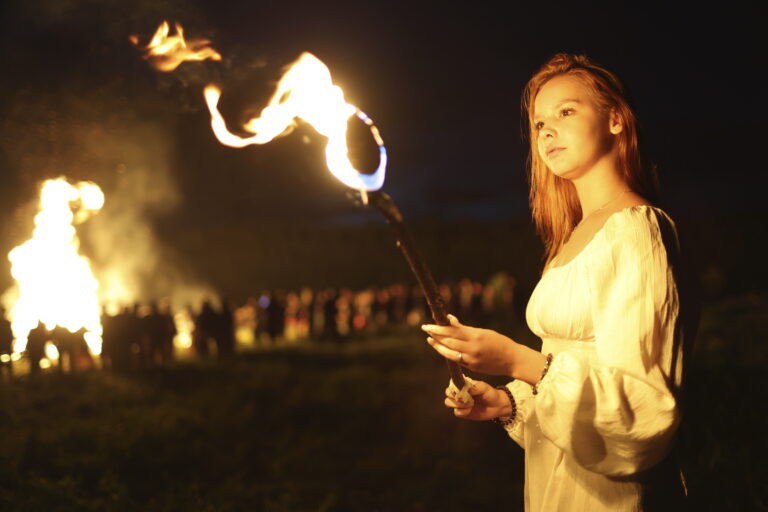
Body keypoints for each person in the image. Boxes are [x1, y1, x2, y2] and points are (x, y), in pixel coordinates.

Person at [422, 54, 694, 511]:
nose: (546, 130)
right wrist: (510, 404)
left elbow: (644, 410)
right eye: (538, 122)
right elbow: (567, 372)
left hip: (615, 495)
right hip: (559, 482)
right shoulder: (569, 241)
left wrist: (514, 358)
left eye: (566, 112)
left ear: (614, 120)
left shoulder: (635, 229)